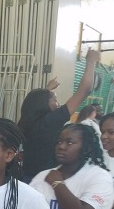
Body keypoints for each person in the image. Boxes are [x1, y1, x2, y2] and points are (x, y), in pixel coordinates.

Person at [18, 49, 101, 182]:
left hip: (26, 178)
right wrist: (90, 61)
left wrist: (48, 89)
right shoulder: (50, 122)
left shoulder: (28, 123)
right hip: (45, 181)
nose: (58, 104)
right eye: (54, 100)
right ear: (45, 104)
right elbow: (85, 90)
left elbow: (37, 100)